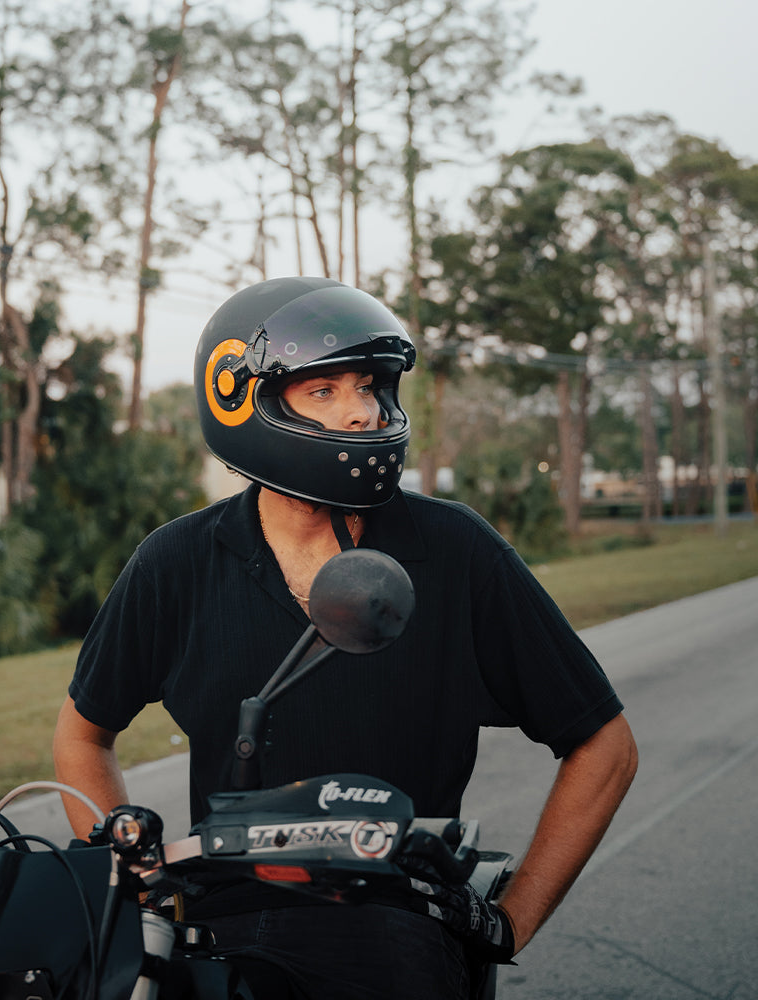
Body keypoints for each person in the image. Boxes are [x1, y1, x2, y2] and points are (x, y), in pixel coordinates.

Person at [53, 276, 638, 998]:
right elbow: (82, 736)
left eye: (368, 387)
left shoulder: (455, 551)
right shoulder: (175, 564)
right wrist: (129, 875)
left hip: (400, 929)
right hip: (220, 934)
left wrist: (510, 921)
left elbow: (604, 745)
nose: (363, 412)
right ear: (244, 400)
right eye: (324, 391)